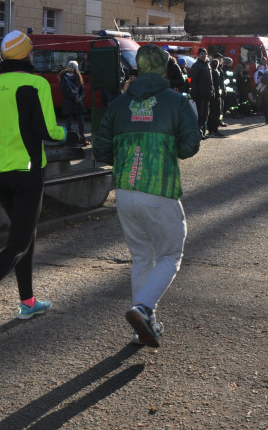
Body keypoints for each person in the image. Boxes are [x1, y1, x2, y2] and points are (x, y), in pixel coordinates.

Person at [0, 30, 68, 337]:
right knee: (19, 241)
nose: (32, 55)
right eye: (30, 52)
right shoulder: (36, 84)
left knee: (25, 235)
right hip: (28, 172)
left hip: (0, 174)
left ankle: (28, 301)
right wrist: (64, 133)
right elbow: (47, 129)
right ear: (24, 56)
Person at [93, 44, 201, 348]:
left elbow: (100, 150)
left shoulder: (117, 104)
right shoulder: (177, 101)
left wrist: (130, 156)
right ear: (166, 69)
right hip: (161, 189)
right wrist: (167, 150)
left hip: (126, 191)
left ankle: (144, 324)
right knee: (170, 256)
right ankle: (143, 309)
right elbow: (190, 146)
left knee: (142, 257)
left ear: (137, 69)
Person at [59, 60, 86, 144]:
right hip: (69, 102)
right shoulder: (64, 77)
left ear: (75, 68)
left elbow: (82, 89)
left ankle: (82, 136)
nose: (70, 68)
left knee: (81, 120)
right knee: (69, 121)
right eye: (69, 67)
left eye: (72, 67)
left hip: (78, 102)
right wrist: (74, 97)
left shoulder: (78, 77)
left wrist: (81, 97)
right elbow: (64, 91)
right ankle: (69, 138)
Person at [189, 48, 213, 138]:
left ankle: (202, 132)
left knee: (205, 114)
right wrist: (194, 91)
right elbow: (191, 79)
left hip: (207, 94)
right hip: (199, 95)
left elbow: (210, 80)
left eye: (205, 54)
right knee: (200, 115)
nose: (204, 55)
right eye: (202, 53)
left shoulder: (207, 65)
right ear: (198, 55)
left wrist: (212, 90)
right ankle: (198, 133)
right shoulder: (196, 66)